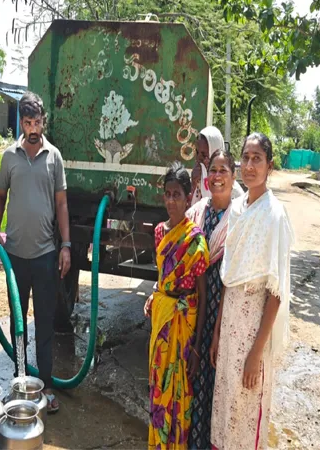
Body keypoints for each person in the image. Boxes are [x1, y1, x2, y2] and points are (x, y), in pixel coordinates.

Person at [209, 133, 294, 450]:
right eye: (245, 158)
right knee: (225, 410)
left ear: (269, 166)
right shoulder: (237, 209)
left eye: (257, 159)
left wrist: (256, 353)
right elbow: (229, 277)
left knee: (247, 412)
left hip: (253, 334)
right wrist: (217, 332)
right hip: (230, 328)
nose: (249, 165)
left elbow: (275, 292)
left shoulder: (274, 215)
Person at [0, 91, 70, 414]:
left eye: (37, 122)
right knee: (18, 323)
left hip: (46, 254)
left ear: (43, 122)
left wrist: (66, 246)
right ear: (20, 123)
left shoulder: (54, 157)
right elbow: (0, 197)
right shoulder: (10, 157)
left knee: (45, 323)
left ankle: (46, 386)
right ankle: (21, 381)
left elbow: (61, 204)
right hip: (16, 257)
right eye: (27, 122)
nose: (33, 128)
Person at [144, 162, 210, 449]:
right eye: (168, 194)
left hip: (184, 326)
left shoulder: (195, 240)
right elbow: (163, 277)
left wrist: (197, 346)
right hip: (161, 324)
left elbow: (203, 295)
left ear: (188, 196)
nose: (171, 201)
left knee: (180, 392)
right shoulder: (160, 232)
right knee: (159, 388)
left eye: (177, 195)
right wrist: (155, 294)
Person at [184, 149, 238, 449]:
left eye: (223, 171)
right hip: (195, 307)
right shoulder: (197, 212)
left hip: (223, 310)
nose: (216, 177)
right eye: (213, 170)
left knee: (216, 381)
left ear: (233, 176)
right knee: (193, 377)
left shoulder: (238, 218)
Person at [190, 126, 244, 206]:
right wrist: (194, 185)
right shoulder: (200, 180)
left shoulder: (234, 193)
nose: (199, 158)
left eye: (204, 155)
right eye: (197, 152)